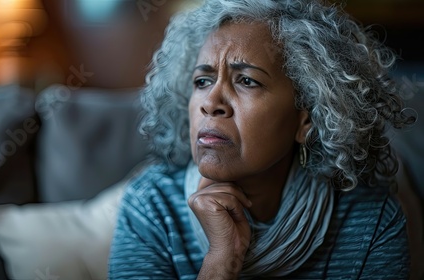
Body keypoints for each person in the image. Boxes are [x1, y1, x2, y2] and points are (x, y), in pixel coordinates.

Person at [108, 0, 417, 278]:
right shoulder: (151, 208)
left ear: (306, 118)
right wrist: (220, 262)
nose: (210, 101)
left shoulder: (369, 222)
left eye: (246, 80)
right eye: (202, 80)